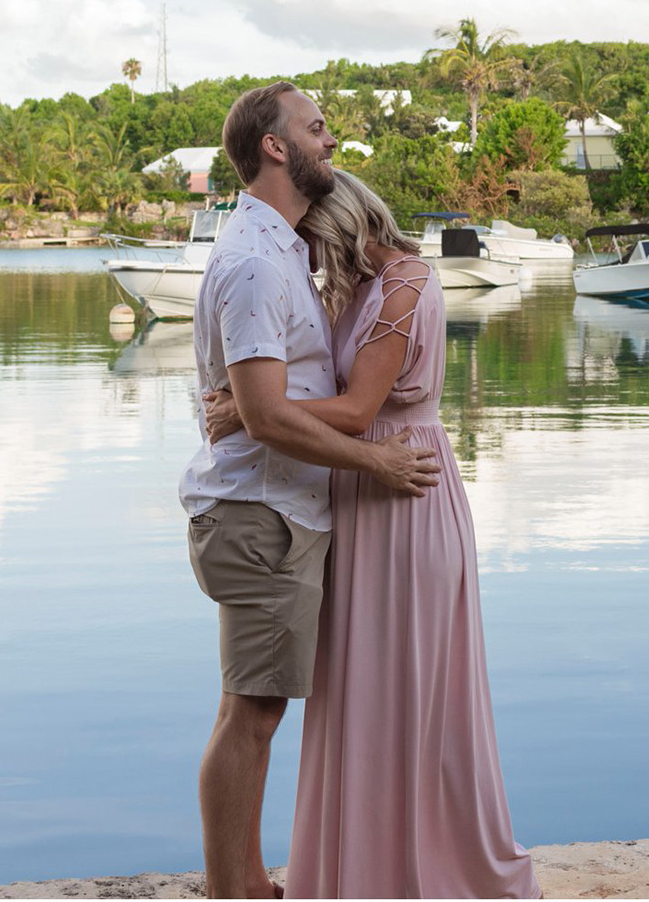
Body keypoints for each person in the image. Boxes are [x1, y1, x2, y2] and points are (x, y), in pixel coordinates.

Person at [207, 173, 538, 899]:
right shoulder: (347, 291)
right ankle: (360, 863)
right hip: (356, 491)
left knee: (411, 686)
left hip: (402, 490)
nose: (314, 260)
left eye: (319, 242)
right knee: (357, 688)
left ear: (349, 224)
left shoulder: (406, 282)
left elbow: (359, 409)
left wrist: (248, 411)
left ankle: (424, 864)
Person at [182, 82, 443, 901]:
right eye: (317, 128)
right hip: (262, 514)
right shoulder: (259, 261)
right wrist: (381, 465)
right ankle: (238, 891)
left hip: (276, 512)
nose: (330, 141)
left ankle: (248, 883)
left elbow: (264, 403)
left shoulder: (283, 249)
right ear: (274, 146)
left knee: (253, 709)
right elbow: (263, 416)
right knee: (252, 714)